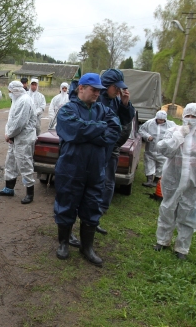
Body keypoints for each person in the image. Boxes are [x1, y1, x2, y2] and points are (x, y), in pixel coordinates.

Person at [53, 73, 121, 267]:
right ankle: (64, 243)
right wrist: (98, 129)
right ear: (81, 88)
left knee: (92, 204)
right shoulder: (67, 110)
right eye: (94, 90)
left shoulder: (104, 110)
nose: (97, 94)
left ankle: (87, 247)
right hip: (71, 166)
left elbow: (113, 132)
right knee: (66, 202)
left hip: (96, 167)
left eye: (99, 90)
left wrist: (88, 132)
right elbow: (71, 130)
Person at [154, 103, 196, 260]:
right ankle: (162, 240)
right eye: (188, 116)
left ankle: (182, 248)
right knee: (167, 209)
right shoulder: (173, 131)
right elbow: (164, 150)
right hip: (173, 178)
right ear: (183, 115)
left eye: (194, 117)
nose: (190, 120)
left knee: (190, 212)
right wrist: (179, 137)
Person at [96, 69, 136, 235]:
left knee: (108, 181)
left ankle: (98, 214)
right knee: (93, 182)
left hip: (111, 148)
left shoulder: (115, 100)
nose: (119, 91)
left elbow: (127, 119)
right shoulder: (97, 98)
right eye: (116, 87)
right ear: (107, 86)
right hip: (98, 148)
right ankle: (88, 217)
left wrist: (126, 104)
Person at [0, 81, 37, 204]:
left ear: (16, 90)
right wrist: (8, 133)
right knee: (11, 163)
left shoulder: (24, 101)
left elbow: (20, 123)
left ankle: (30, 193)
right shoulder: (17, 100)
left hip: (23, 138)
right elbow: (11, 119)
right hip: (15, 138)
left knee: (25, 164)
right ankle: (9, 188)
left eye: (10, 91)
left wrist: (9, 134)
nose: (9, 94)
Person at [139, 110, 177, 187]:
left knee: (162, 165)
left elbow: (176, 133)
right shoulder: (149, 123)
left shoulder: (171, 124)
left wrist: (169, 141)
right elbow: (141, 130)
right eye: (159, 120)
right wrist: (147, 136)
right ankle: (149, 180)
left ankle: (156, 181)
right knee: (149, 163)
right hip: (150, 149)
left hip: (163, 151)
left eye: (163, 120)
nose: (161, 121)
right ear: (156, 118)